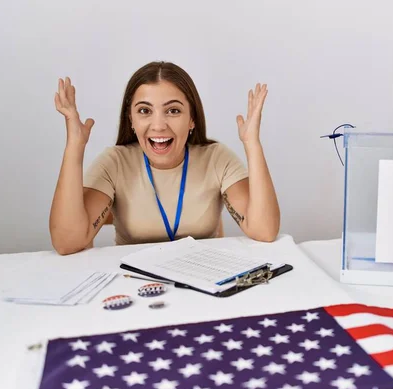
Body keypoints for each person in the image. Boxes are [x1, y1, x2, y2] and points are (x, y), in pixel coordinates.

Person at [49, 61, 280, 255]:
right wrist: (74, 147)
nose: (158, 126)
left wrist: (252, 144)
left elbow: (265, 230)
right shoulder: (115, 162)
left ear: (192, 120)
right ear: (131, 119)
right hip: (138, 287)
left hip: (202, 282)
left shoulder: (217, 158)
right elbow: (67, 242)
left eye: (173, 110)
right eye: (144, 111)